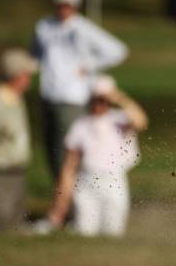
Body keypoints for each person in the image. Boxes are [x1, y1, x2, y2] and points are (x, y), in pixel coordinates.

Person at [31, 0, 128, 181]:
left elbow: (117, 50)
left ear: (75, 5)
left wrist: (89, 66)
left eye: (68, 4)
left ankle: (74, 200)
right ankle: (62, 198)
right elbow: (36, 56)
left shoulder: (82, 28)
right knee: (52, 150)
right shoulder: (44, 27)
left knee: (69, 150)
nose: (64, 8)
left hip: (73, 97)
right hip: (49, 95)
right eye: (60, 3)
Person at [44, 75, 148, 237]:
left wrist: (118, 97)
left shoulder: (119, 119)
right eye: (95, 99)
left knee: (113, 231)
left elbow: (141, 121)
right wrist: (60, 206)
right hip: (86, 182)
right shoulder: (80, 125)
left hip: (113, 181)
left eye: (103, 100)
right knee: (85, 230)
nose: (98, 104)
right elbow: (69, 168)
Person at [0, 49, 38, 232]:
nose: (29, 79)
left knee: (15, 220)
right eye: (26, 75)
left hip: (16, 170)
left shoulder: (15, 98)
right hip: (0, 173)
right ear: (15, 75)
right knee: (0, 220)